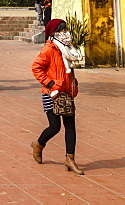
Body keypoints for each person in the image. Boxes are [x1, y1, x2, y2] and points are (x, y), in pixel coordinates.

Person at [31, 19, 85, 175]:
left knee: (70, 126)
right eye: (61, 31)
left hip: (67, 92)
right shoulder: (49, 49)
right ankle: (38, 144)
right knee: (54, 127)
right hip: (51, 92)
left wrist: (73, 84)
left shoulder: (68, 50)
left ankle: (70, 159)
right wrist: (50, 84)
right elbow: (36, 67)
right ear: (53, 33)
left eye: (65, 30)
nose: (65, 33)